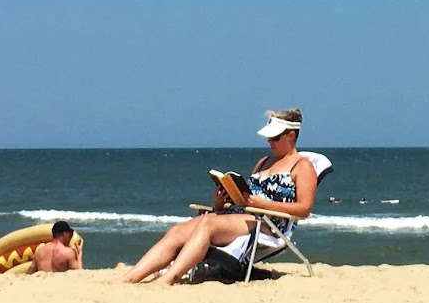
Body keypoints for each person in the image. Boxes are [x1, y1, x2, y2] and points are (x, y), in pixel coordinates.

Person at [122, 109, 325, 283]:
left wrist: (264, 205)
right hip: (243, 216)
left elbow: (304, 209)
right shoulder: (264, 162)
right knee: (177, 231)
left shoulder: (302, 166)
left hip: (268, 224)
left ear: (291, 136)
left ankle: (168, 279)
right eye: (269, 138)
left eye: (275, 138)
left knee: (207, 224)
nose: (269, 142)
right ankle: (130, 278)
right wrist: (221, 204)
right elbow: (247, 199)